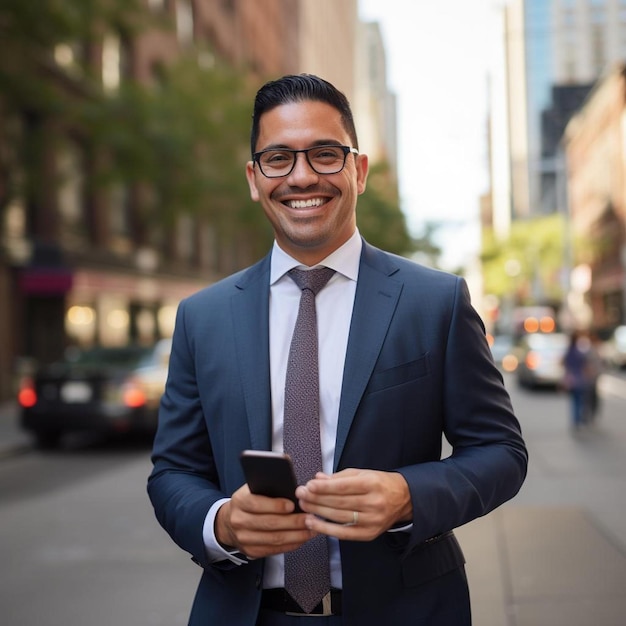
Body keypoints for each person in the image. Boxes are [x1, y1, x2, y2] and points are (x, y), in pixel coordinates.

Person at [148, 74, 528, 626]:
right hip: (244, 611)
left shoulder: (436, 301)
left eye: (325, 154)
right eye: (278, 158)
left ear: (359, 170)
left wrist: (407, 494)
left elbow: (500, 452)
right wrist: (221, 523)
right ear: (254, 179)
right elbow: (173, 472)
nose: (302, 176)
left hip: (407, 610)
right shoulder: (202, 317)